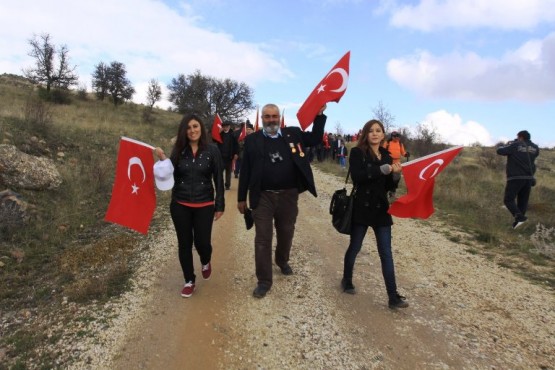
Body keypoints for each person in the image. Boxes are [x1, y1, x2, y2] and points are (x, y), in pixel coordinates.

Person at [237, 103, 327, 298]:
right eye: (267, 116)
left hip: (288, 195)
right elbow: (245, 170)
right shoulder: (252, 140)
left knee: (286, 232)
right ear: (262, 119)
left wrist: (319, 115)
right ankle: (264, 281)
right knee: (262, 239)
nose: (271, 120)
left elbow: (315, 138)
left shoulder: (292, 134)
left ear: (279, 118)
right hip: (262, 197)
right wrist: (241, 197)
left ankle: (282, 260)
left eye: (274, 116)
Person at [153, 113, 225, 298]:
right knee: (184, 243)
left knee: (202, 243)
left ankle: (206, 260)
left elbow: (218, 178)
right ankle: (189, 280)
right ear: (183, 131)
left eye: (195, 126)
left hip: (205, 204)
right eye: (188, 127)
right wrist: (162, 160)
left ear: (201, 128)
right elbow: (169, 174)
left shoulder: (212, 150)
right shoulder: (179, 151)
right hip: (180, 204)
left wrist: (219, 205)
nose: (192, 130)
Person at [341, 119, 408, 309]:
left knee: (386, 253)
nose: (375, 134)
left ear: (383, 134)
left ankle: (393, 296)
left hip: (380, 209)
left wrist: (395, 176)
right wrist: (381, 170)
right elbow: (358, 176)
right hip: (361, 207)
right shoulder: (357, 152)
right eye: (371, 131)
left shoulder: (387, 155)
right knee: (355, 247)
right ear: (365, 134)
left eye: (378, 131)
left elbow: (388, 186)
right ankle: (347, 279)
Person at [496, 130, 539, 229]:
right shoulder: (535, 148)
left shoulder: (516, 145)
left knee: (508, 200)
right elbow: (532, 154)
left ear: (520, 137)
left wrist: (503, 145)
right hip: (528, 178)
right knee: (523, 202)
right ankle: (517, 225)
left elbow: (500, 151)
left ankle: (520, 218)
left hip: (515, 177)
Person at [383, 131, 409, 199]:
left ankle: (392, 194)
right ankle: (384, 193)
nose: (397, 138)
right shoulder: (387, 142)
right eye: (395, 136)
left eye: (398, 136)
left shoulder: (400, 144)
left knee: (396, 179)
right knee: (387, 178)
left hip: (397, 163)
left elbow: (403, 152)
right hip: (388, 162)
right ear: (392, 136)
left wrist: (406, 154)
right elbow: (382, 151)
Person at [217, 120, 239, 190]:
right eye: (224, 127)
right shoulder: (220, 134)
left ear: (229, 126)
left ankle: (227, 185)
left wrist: (236, 153)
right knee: (219, 172)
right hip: (221, 156)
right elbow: (214, 140)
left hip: (229, 156)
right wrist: (218, 133)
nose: (225, 128)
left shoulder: (233, 134)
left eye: (226, 126)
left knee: (228, 172)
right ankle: (219, 185)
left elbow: (236, 145)